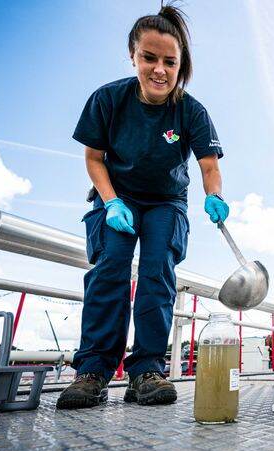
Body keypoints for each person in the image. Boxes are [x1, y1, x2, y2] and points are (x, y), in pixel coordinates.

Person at [56, 4, 229, 409]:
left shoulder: (191, 110)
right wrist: (111, 202)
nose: (159, 70)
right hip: (116, 197)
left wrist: (215, 196)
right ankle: (93, 370)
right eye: (149, 58)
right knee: (110, 269)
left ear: (181, 64)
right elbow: (94, 159)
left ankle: (147, 369)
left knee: (157, 273)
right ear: (132, 55)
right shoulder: (107, 99)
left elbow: (208, 164)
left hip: (166, 202)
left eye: (170, 61)